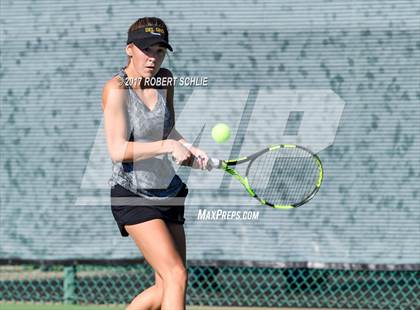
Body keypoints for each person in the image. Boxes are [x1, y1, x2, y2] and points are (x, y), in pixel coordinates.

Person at [102, 17, 209, 310]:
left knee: (167, 286)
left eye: (160, 51)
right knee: (176, 274)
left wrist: (189, 148)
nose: (153, 58)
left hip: (168, 191)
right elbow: (117, 148)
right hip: (132, 194)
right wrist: (168, 146)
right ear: (129, 49)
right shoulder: (116, 89)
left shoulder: (166, 80)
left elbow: (166, 130)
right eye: (146, 49)